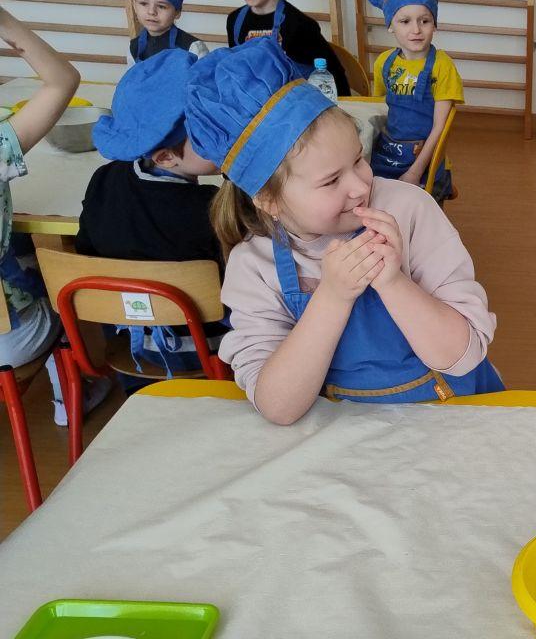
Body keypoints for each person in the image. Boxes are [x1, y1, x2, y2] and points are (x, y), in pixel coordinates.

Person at [186, 40, 502, 425]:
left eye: (358, 160)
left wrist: (393, 282)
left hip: (452, 411)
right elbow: (279, 407)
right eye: (331, 180)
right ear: (269, 200)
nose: (359, 186)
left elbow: (462, 355)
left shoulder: (410, 210)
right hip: (346, 429)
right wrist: (333, 296)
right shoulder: (254, 266)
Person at [80, 49, 224, 377]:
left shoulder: (103, 180)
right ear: (165, 158)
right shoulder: (210, 208)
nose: (222, 132)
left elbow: (86, 252)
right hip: (206, 346)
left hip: (131, 338)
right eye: (206, 132)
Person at [0, 6, 112, 424]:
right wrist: (5, 22)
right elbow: (64, 80)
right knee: (61, 279)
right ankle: (72, 398)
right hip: (7, 340)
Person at [366, 0, 465, 198]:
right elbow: (381, 109)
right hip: (390, 150)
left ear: (435, 24)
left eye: (425, 21)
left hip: (423, 157)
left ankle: (441, 185)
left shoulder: (442, 66)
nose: (416, 30)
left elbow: (439, 128)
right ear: (390, 25)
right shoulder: (384, 62)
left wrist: (415, 172)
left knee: (417, 204)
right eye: (405, 21)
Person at [126, 0, 209, 65]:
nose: (151, 12)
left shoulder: (193, 48)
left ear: (177, 12)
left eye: (161, 6)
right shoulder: (133, 48)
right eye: (144, 3)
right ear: (134, 5)